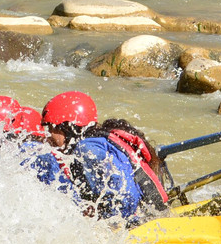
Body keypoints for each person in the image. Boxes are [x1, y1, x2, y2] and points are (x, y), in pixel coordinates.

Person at [41, 91, 169, 223]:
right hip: (152, 214)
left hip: (141, 223)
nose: (49, 136)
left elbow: (126, 198)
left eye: (52, 129)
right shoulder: (98, 142)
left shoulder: (87, 149)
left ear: (69, 127)